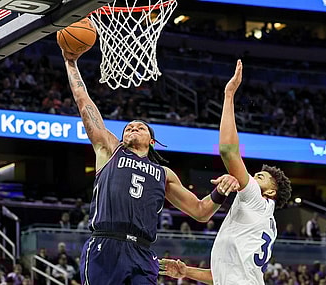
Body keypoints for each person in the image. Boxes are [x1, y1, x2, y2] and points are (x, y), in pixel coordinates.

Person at [61, 50, 240, 285]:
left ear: (152, 141)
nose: (133, 127)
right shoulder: (110, 151)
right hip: (106, 245)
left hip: (143, 252)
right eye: (129, 127)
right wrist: (71, 63)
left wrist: (221, 191)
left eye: (141, 127)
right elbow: (84, 103)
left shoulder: (164, 174)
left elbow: (200, 211)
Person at [159, 60, 292, 285]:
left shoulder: (257, 200)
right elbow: (222, 277)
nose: (251, 177)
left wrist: (229, 94)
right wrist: (186, 272)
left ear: (270, 192)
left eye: (260, 177)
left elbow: (228, 150)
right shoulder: (260, 218)